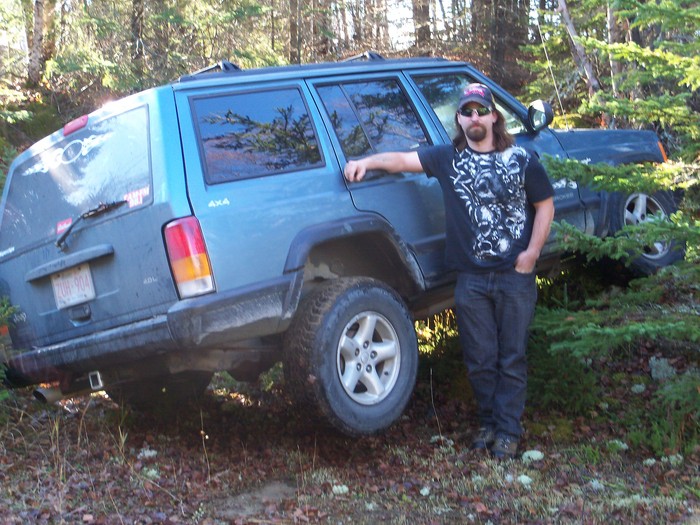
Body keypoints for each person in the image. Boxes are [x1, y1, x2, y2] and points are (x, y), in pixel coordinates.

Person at [344, 83, 555, 460]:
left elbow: (545, 204)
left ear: (494, 116)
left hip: (514, 276)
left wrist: (532, 253)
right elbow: (401, 160)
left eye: (481, 111)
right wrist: (366, 162)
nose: (474, 117)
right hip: (470, 279)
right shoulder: (447, 159)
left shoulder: (522, 159)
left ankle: (508, 431)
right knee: (479, 359)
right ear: (458, 118)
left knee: (511, 358)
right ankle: (488, 424)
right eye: (467, 111)